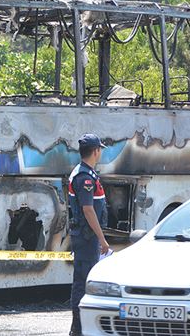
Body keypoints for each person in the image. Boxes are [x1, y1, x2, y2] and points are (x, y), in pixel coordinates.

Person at [68, 133, 110, 336]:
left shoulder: (85, 173)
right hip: (86, 237)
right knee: (83, 283)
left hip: (85, 236)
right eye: (100, 149)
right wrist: (101, 239)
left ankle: (79, 328)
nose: (100, 152)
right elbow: (88, 209)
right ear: (95, 151)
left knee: (83, 281)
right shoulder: (84, 177)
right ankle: (78, 329)